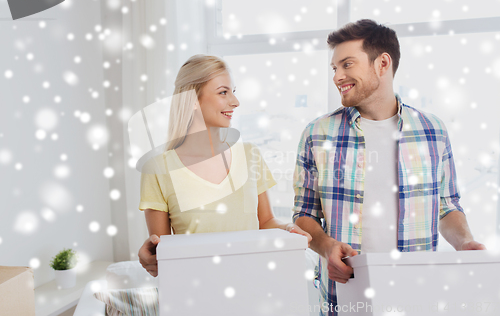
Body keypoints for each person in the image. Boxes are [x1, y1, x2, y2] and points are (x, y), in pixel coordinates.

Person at [292, 19, 486, 315]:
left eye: (347, 65)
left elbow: (446, 206)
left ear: (382, 63)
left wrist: (464, 241)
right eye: (334, 68)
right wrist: (325, 246)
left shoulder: (433, 130)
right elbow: (304, 214)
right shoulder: (317, 134)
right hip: (345, 296)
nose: (337, 76)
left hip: (416, 294)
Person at [138, 54, 311, 277]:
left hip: (253, 284)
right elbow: (162, 255)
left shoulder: (250, 155)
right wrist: (150, 256)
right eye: (223, 92)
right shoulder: (158, 169)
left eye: (233, 91)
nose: (235, 102)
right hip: (195, 293)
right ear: (192, 100)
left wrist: (288, 229)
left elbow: (265, 220)